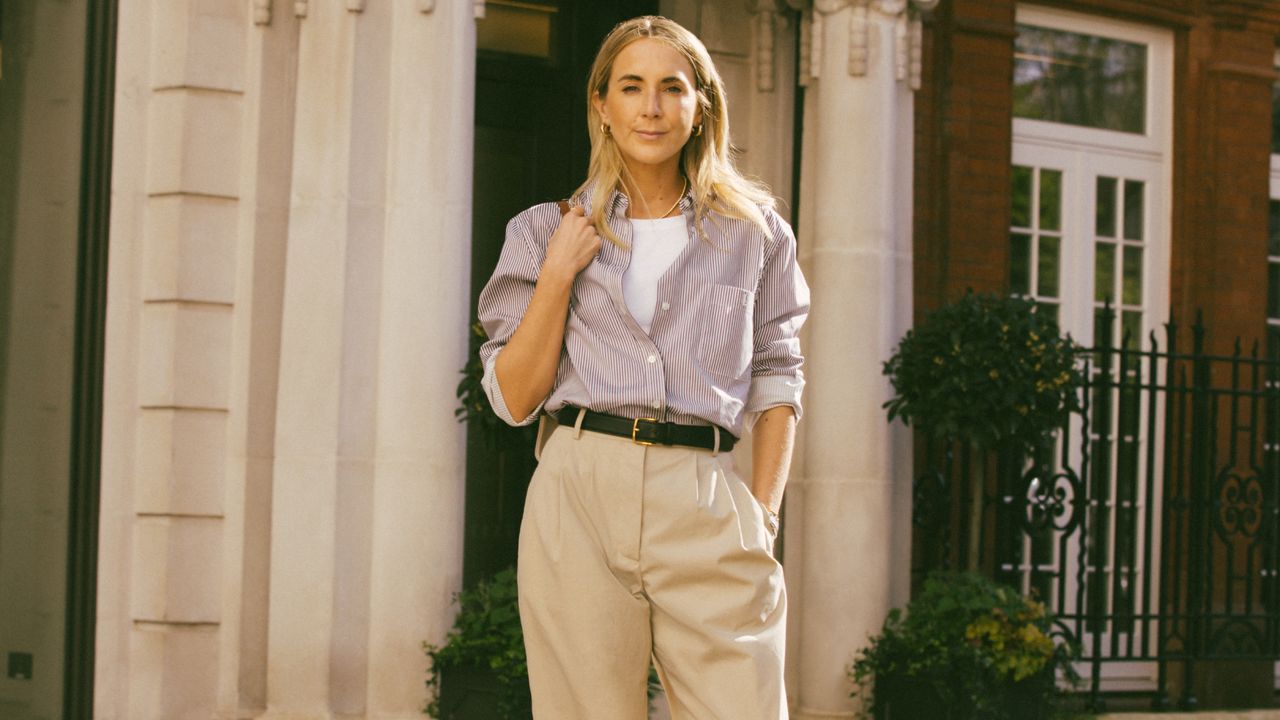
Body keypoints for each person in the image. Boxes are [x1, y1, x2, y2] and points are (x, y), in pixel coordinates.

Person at [477, 15, 809, 720]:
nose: (651, 108)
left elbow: (778, 378)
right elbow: (512, 399)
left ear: (701, 107)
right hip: (580, 491)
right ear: (602, 104)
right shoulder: (544, 231)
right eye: (631, 87)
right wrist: (557, 277)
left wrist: (763, 515)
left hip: (707, 495)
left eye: (672, 88)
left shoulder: (755, 235)